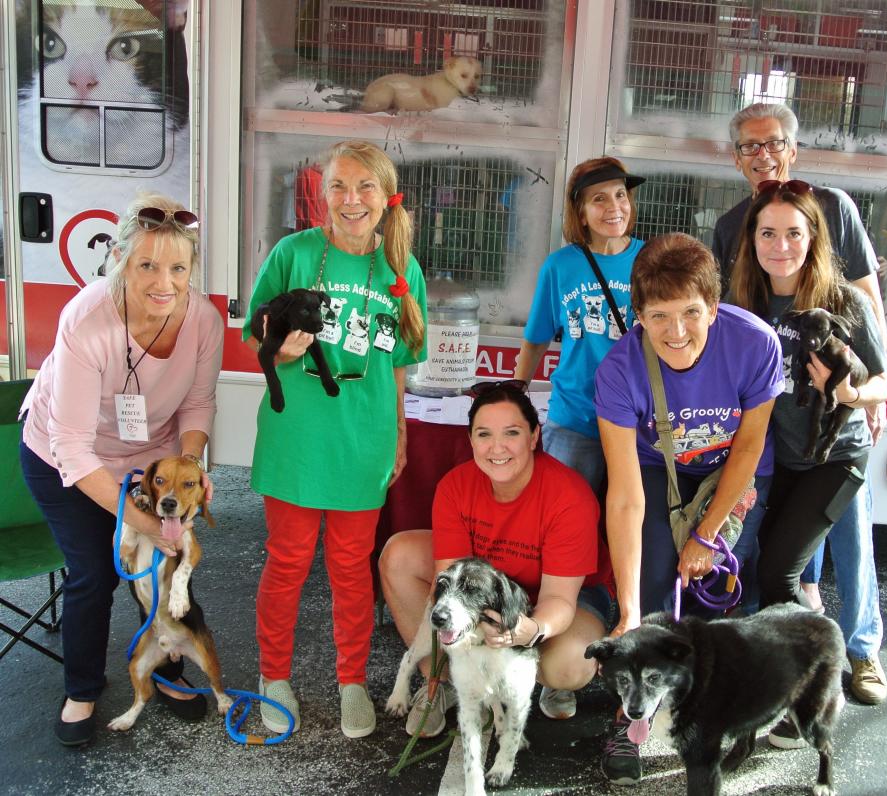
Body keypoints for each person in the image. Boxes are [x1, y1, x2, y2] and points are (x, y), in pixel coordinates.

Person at [19, 193, 223, 747]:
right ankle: (81, 688)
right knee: (97, 571)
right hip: (64, 455)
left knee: (163, 564)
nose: (164, 281)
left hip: (149, 457)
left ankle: (166, 668)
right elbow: (74, 447)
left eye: (178, 268)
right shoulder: (87, 320)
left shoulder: (203, 319)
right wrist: (142, 519)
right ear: (120, 261)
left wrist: (189, 466)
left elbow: (198, 404)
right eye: (148, 265)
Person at [242, 139, 427, 739]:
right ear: (323, 196)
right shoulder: (295, 253)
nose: (351, 200)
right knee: (288, 564)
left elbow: (399, 361)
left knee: (352, 569)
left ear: (385, 196)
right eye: (339, 188)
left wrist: (398, 431)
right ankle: (275, 677)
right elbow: (254, 333)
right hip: (296, 440)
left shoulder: (402, 269)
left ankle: (352, 681)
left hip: (361, 442)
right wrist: (281, 347)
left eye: (364, 188)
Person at [715, 102, 887, 705]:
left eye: (773, 143)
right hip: (777, 448)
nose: (780, 243)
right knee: (774, 562)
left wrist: (858, 390)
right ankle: (781, 673)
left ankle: (857, 656)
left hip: (837, 446)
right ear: (735, 157)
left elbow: (870, 318)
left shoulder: (834, 216)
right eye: (750, 146)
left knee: (838, 544)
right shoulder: (745, 280)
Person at [594, 232, 783, 784]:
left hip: (734, 471)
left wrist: (706, 535)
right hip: (660, 471)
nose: (676, 333)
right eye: (659, 317)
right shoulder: (619, 370)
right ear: (639, 317)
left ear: (714, 307)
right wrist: (627, 608)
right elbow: (626, 495)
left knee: (724, 598)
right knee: (652, 594)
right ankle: (628, 722)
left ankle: (726, 714)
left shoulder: (755, 343)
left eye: (691, 313)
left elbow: (749, 447)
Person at [378, 381, 614, 742]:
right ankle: (437, 683)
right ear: (470, 440)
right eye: (484, 434)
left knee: (568, 665)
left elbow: (558, 601)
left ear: (535, 436)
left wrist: (528, 630)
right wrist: (476, 627)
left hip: (560, 596)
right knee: (399, 555)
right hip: (487, 589)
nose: (497, 447)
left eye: (512, 433)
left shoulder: (569, 497)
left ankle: (541, 677)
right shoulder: (455, 486)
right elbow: (449, 587)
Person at [512, 156, 643, 721]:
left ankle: (631, 642)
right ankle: (556, 659)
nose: (613, 208)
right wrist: (514, 398)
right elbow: (538, 338)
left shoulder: (651, 262)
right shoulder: (561, 267)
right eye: (599, 200)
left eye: (620, 196)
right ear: (580, 212)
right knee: (565, 534)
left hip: (638, 426)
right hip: (573, 418)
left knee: (637, 535)